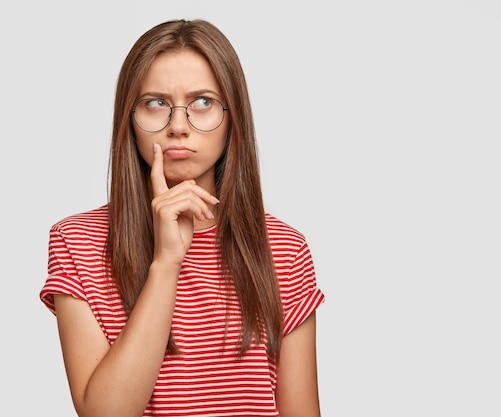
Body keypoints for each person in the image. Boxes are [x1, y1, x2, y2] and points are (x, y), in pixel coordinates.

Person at [39, 18, 325, 417]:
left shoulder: (284, 248)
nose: (177, 126)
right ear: (129, 117)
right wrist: (166, 262)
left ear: (232, 118)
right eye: (155, 103)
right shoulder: (77, 241)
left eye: (203, 102)